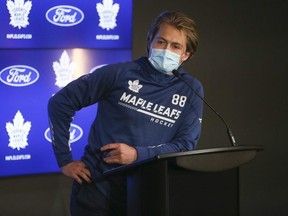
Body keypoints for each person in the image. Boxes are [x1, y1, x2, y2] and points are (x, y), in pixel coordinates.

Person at [48, 11, 204, 216]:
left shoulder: (191, 89)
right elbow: (60, 103)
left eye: (175, 46)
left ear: (186, 55)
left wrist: (137, 155)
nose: (166, 50)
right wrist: (64, 160)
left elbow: (185, 145)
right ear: (150, 42)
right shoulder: (118, 74)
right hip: (97, 191)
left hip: (149, 192)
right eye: (161, 42)